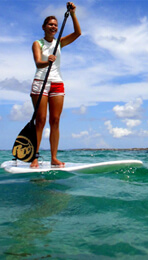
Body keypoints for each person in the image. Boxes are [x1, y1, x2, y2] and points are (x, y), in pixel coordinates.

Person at [30, 2, 81, 167]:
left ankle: (53, 158)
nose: (53, 27)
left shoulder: (59, 42)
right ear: (44, 27)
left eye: (56, 25)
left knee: (55, 120)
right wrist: (47, 61)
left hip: (57, 83)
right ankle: (35, 157)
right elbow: (38, 63)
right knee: (41, 120)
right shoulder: (38, 43)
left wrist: (73, 14)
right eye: (50, 24)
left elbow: (78, 33)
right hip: (40, 83)